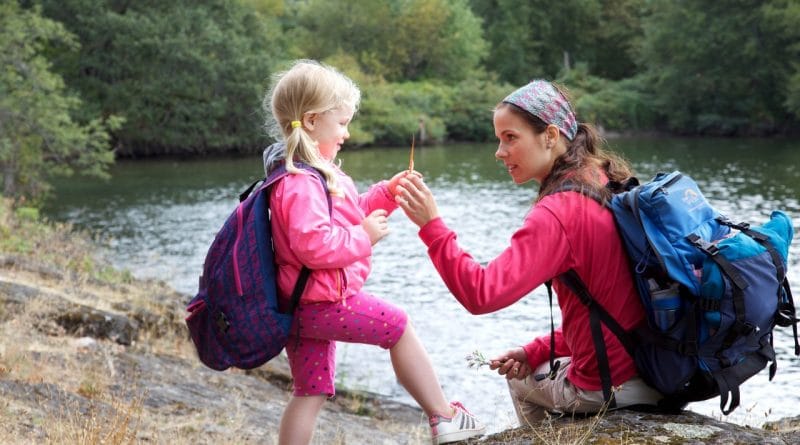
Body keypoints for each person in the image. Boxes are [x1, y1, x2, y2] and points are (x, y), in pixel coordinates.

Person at [395, 79, 663, 425]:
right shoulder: (603, 180)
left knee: (520, 380)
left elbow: (481, 294)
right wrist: (536, 350)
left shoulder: (558, 212)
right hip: (654, 367)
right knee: (533, 365)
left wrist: (432, 226)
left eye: (510, 138)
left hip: (611, 385)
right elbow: (612, 309)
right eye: (498, 139)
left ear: (550, 136)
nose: (499, 151)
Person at [262, 59, 485, 445]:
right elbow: (314, 246)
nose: (347, 133)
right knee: (397, 327)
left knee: (310, 390)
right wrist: (364, 238)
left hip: (300, 304)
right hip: (321, 303)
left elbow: (343, 218)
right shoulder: (300, 182)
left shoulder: (309, 173)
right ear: (312, 121)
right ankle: (444, 417)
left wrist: (388, 193)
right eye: (342, 123)